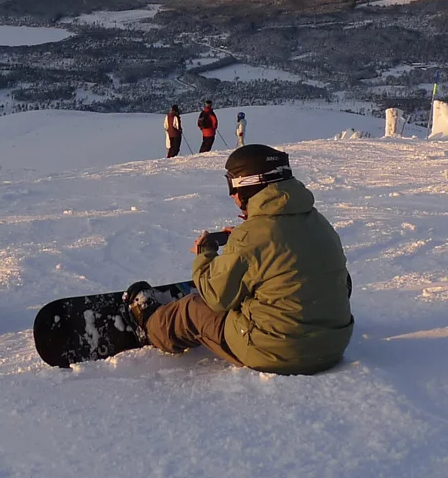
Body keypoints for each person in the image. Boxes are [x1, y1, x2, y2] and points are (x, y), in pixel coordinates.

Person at [126, 144, 353, 375]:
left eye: (232, 185)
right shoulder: (320, 224)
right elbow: (333, 279)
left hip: (279, 353)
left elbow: (215, 297)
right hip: (334, 344)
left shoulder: (251, 236)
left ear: (248, 185)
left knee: (193, 308)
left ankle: (150, 324)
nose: (232, 194)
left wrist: (205, 254)